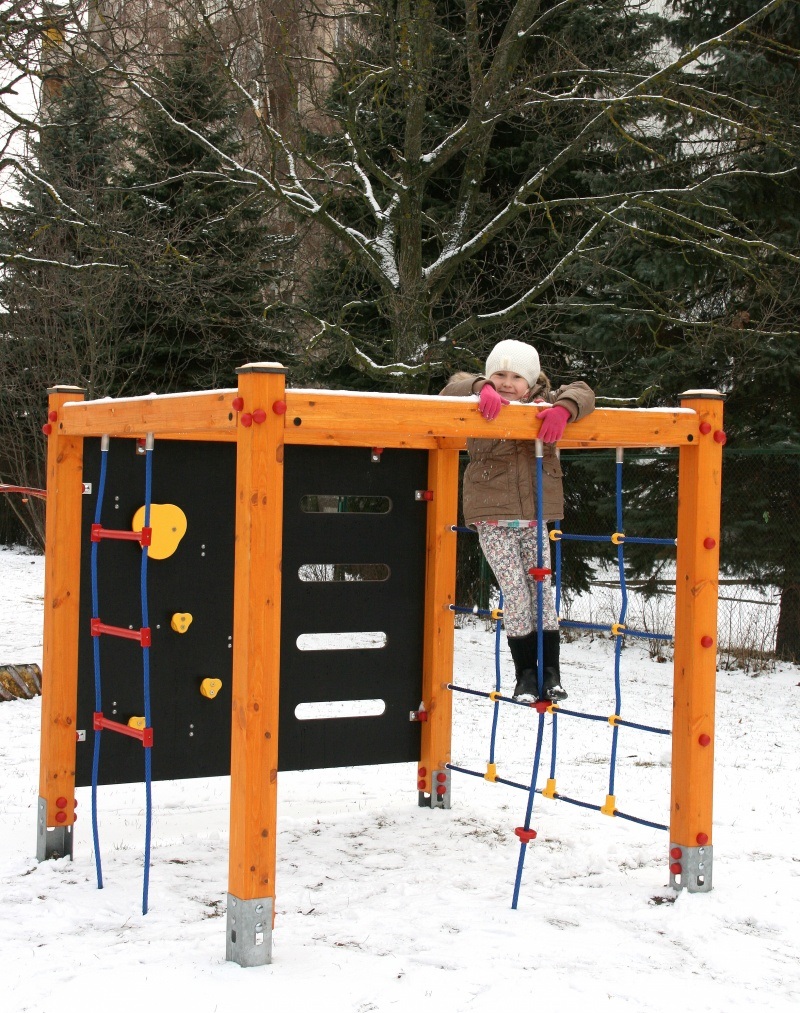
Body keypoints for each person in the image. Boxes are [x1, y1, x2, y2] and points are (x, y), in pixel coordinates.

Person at [441, 339, 595, 701]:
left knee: (541, 591)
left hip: (534, 518)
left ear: (532, 381)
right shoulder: (476, 399)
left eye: (516, 377)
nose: (507, 383)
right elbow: (448, 392)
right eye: (500, 375)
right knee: (515, 592)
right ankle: (525, 674)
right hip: (493, 517)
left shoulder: (545, 402)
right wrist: (480, 388)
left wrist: (564, 410)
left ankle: (551, 675)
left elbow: (584, 391)